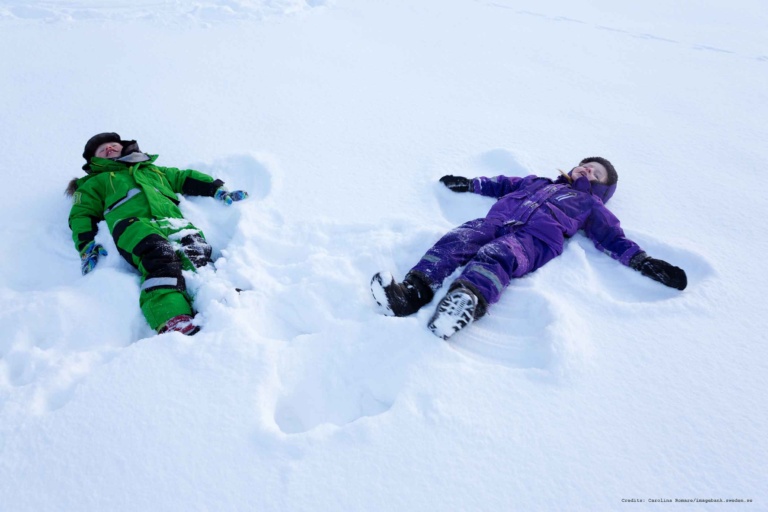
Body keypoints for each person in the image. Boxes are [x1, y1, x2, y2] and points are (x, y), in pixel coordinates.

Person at [371, 157, 687, 340]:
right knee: (457, 240)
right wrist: (471, 184)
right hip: (496, 221)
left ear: (602, 188)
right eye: (585, 165)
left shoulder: (590, 205)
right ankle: (410, 294)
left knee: (497, 257)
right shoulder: (538, 182)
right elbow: (504, 183)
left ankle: (465, 303)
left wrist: (643, 262)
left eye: (596, 173)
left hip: (534, 240)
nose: (587, 170)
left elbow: (612, 237)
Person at [66, 132, 249, 335]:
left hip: (174, 222)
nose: (108, 148)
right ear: (95, 160)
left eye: (112, 145)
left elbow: (183, 178)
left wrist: (217, 189)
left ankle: (216, 298)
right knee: (159, 258)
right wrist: (85, 245)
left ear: (124, 147)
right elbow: (81, 215)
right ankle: (171, 316)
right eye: (102, 149)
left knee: (197, 254)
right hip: (133, 225)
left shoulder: (153, 170)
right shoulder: (94, 183)